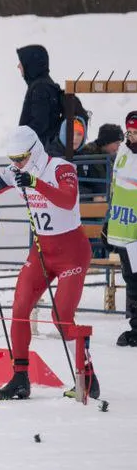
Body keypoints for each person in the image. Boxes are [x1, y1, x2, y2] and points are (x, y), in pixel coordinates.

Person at [0, 125, 97, 400]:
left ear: (34, 151)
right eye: (13, 159)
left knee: (61, 316)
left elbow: (68, 200)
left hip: (72, 252)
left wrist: (35, 183)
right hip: (42, 251)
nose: (17, 164)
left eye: (21, 158)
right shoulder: (15, 172)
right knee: (20, 307)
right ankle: (20, 378)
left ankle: (89, 378)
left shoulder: (61, 168)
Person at [103, 112, 137, 347]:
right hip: (125, 228)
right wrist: (108, 223)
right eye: (130, 132)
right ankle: (135, 326)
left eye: (136, 132)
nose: (132, 137)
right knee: (131, 278)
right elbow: (116, 188)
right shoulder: (124, 152)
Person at [16, 44, 63, 149]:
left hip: (39, 152)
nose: (18, 66)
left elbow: (40, 124)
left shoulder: (40, 88)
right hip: (40, 149)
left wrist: (21, 139)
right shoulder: (42, 85)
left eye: (21, 62)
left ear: (30, 64)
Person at [76, 123, 122, 200]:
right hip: (90, 207)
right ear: (106, 142)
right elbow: (77, 185)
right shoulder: (85, 157)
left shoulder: (113, 159)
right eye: (116, 143)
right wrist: (92, 196)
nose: (118, 147)